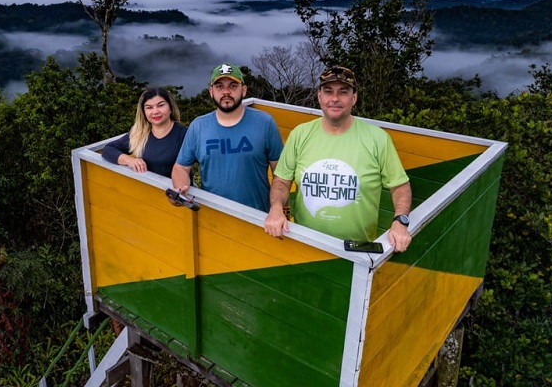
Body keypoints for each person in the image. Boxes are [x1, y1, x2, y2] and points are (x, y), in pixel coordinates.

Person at [263, 65, 413, 252]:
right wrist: (276, 208)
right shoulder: (300, 135)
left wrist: (400, 221)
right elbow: (281, 182)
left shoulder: (378, 139)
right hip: (304, 244)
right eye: (328, 91)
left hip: (358, 252)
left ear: (354, 98)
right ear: (319, 96)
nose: (334, 98)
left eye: (343, 92)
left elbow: (400, 186)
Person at [170, 63, 284, 211]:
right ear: (211, 92)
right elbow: (181, 167)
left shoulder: (264, 122)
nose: (226, 92)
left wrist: (277, 207)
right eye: (219, 87)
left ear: (243, 90)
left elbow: (281, 174)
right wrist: (180, 190)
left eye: (233, 86)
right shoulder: (198, 126)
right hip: (213, 215)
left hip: (258, 217)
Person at [102, 87, 187, 178]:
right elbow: (108, 149)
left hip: (176, 187)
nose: (155, 111)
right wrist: (128, 160)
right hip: (145, 186)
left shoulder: (185, 134)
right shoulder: (140, 133)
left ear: (170, 108)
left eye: (160, 105)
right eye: (149, 107)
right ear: (144, 112)